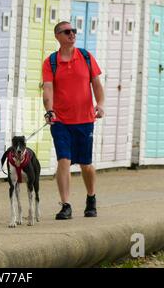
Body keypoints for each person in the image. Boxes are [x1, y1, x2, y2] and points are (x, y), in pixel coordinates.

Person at [42, 21, 105, 220]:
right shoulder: (51, 62)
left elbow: (97, 85)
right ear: (57, 36)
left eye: (74, 31)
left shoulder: (86, 57)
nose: (72, 35)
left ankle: (91, 198)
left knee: (85, 164)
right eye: (67, 32)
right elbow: (48, 89)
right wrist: (49, 110)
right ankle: (65, 204)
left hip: (85, 120)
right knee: (64, 160)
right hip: (60, 120)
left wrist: (100, 104)